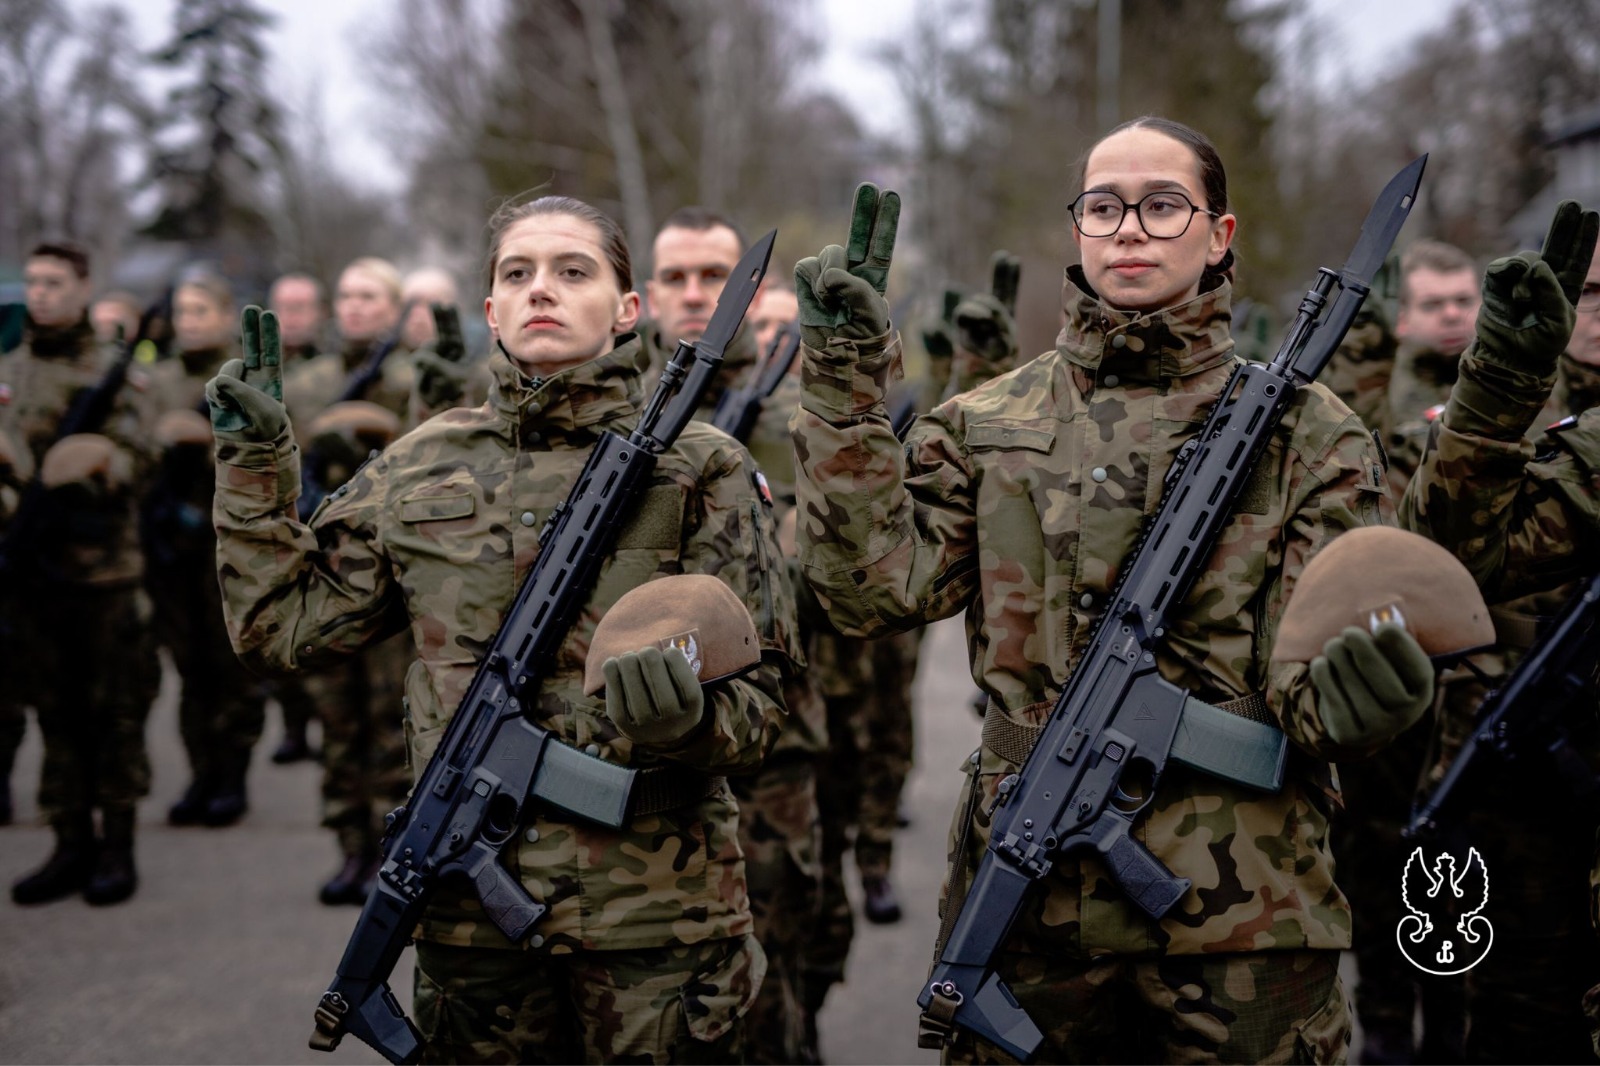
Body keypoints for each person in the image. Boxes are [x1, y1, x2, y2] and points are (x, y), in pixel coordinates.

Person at [792, 119, 1430, 1063]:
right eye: (1103, 207)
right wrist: (843, 391)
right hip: (1030, 905)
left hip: (1244, 919)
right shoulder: (985, 421)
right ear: (1078, 232)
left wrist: (1365, 699)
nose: (1129, 228)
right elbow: (871, 592)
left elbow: (1318, 688)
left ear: (1219, 235)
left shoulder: (1313, 434)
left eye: (1163, 205)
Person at [208, 194, 798, 1062]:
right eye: (516, 274)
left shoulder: (702, 466)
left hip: (660, 926)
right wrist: (256, 472)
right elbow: (279, 629)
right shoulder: (418, 467)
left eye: (573, 271)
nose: (541, 291)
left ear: (627, 308)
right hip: (472, 931)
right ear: (490, 309)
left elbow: (767, 708)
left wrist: (692, 722)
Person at [1399, 199, 1600, 1064]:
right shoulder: (1557, 433)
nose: (1598, 310)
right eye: (1589, 293)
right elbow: (1440, 562)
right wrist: (1504, 382)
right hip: (1522, 805)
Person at [646, 205, 829, 1064]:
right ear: (646, 294)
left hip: (776, 732)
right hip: (645, 741)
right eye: (675, 277)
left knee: (780, 948)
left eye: (713, 276)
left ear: (749, 290)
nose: (694, 295)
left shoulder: (808, 412)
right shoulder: (626, 414)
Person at [2, 239, 159, 905]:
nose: (41, 293)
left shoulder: (112, 373)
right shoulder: (11, 369)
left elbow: (141, 458)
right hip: (30, 571)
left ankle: (116, 848)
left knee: (112, 715)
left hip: (102, 575)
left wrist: (96, 467)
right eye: (33, 281)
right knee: (55, 715)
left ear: (82, 289)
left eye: (54, 282)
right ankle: (69, 842)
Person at [144, 268, 267, 828]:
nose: (188, 322)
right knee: (189, 669)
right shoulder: (158, 379)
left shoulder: (243, 377)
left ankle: (232, 775)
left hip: (227, 544)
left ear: (223, 317)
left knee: (229, 667)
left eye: (200, 311)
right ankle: (200, 773)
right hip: (173, 546)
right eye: (182, 312)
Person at [267, 272, 327, 366]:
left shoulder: (336, 364)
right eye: (284, 308)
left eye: (299, 308)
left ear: (321, 313)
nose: (291, 318)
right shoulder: (252, 363)